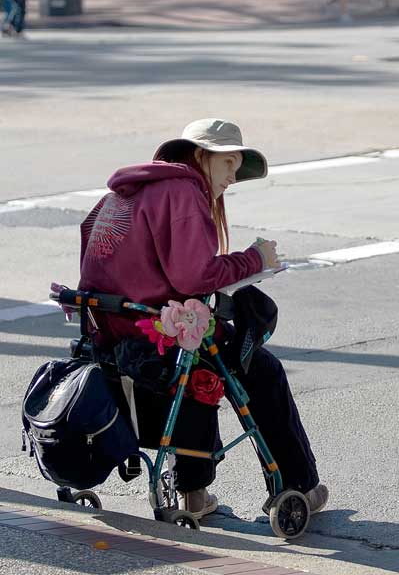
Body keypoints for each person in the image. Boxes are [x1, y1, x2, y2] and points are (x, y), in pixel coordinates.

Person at [78, 118, 328, 520]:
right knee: (260, 369)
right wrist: (255, 260)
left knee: (201, 361)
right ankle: (299, 485)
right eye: (228, 163)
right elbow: (193, 276)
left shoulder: (127, 191)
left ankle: (195, 493)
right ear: (200, 155)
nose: (232, 176)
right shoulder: (183, 191)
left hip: (113, 336)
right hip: (154, 338)